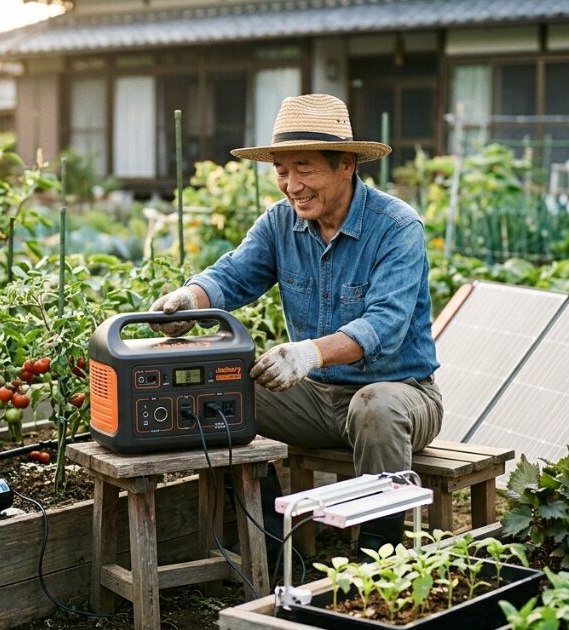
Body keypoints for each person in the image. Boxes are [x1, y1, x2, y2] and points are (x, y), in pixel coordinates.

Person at [149, 93, 443, 551]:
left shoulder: (397, 227)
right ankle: (269, 543)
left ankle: (380, 563)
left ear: (345, 164)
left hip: (399, 395)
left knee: (375, 408)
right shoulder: (279, 224)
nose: (291, 185)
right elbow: (232, 274)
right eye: (281, 171)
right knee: (222, 392)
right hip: (316, 399)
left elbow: (385, 325)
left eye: (304, 167)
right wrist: (189, 298)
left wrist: (307, 353)